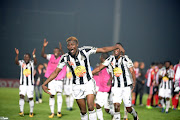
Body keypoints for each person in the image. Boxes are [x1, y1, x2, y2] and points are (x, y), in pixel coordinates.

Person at [42, 36, 125, 120]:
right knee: (83, 111)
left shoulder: (85, 50)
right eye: (69, 45)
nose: (71, 46)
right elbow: (56, 72)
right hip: (76, 86)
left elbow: (103, 49)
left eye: (73, 44)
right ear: (67, 47)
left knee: (90, 106)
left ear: (77, 45)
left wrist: (116, 47)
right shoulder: (65, 58)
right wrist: (45, 83)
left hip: (88, 83)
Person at [92, 43, 139, 120]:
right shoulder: (110, 59)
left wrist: (134, 83)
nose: (116, 50)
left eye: (118, 49)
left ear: (121, 50)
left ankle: (135, 114)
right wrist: (88, 74)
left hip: (126, 87)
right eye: (115, 49)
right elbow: (99, 68)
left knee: (128, 108)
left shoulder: (126, 59)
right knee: (116, 106)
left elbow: (132, 72)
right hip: (116, 87)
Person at [41, 38, 66, 118]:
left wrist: (62, 49)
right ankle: (52, 112)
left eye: (57, 51)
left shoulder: (62, 58)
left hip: (59, 79)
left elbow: (66, 56)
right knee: (51, 95)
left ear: (59, 52)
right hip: (51, 79)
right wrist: (44, 46)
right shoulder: (50, 57)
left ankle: (59, 112)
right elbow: (42, 55)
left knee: (59, 94)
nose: (55, 52)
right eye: (54, 51)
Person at [15, 48, 37, 117]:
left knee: (30, 98)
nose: (26, 58)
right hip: (23, 84)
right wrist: (17, 55)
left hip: (30, 84)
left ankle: (31, 112)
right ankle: (21, 111)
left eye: (27, 57)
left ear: (30, 58)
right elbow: (16, 62)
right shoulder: (22, 62)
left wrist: (34, 55)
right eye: (25, 57)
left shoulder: (32, 63)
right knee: (21, 96)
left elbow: (36, 62)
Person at [94, 53, 114, 120]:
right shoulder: (99, 65)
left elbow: (112, 74)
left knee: (105, 109)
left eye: (101, 57)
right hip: (100, 88)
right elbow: (96, 73)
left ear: (103, 58)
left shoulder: (108, 66)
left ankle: (114, 114)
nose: (100, 58)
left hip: (106, 88)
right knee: (98, 106)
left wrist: (110, 80)